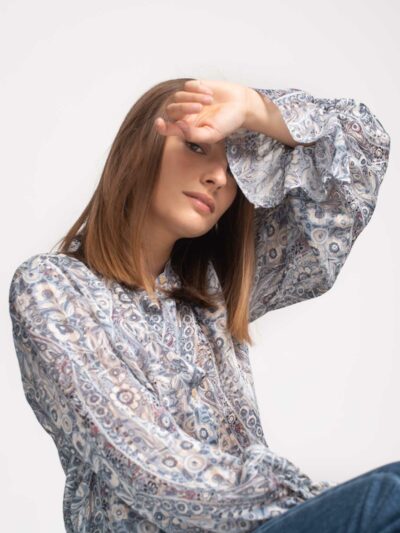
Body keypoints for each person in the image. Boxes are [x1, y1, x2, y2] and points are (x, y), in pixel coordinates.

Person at [8, 77, 393, 532]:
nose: (219, 178)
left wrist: (254, 109)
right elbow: (150, 469)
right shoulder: (52, 288)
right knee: (389, 494)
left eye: (236, 168)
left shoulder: (212, 292)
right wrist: (311, 501)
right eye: (196, 148)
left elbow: (359, 159)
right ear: (139, 148)